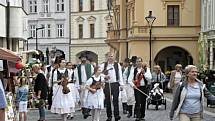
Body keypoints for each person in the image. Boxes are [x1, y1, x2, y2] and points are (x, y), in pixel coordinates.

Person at [100, 52, 124, 121]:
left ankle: (117, 115)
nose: (110, 58)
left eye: (112, 56)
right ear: (107, 57)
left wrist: (121, 84)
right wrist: (105, 76)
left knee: (115, 100)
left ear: (114, 57)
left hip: (115, 84)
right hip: (108, 84)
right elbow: (99, 73)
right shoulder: (104, 65)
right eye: (109, 56)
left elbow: (120, 75)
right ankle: (109, 116)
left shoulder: (117, 65)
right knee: (108, 101)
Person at [75, 53, 94, 118]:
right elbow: (77, 77)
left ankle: (87, 111)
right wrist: (78, 86)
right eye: (82, 58)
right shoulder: (78, 67)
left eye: (84, 58)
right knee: (83, 98)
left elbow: (92, 75)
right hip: (82, 84)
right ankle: (84, 112)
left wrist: (92, 84)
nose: (83, 59)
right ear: (80, 59)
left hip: (89, 84)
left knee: (88, 98)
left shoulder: (90, 66)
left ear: (86, 59)